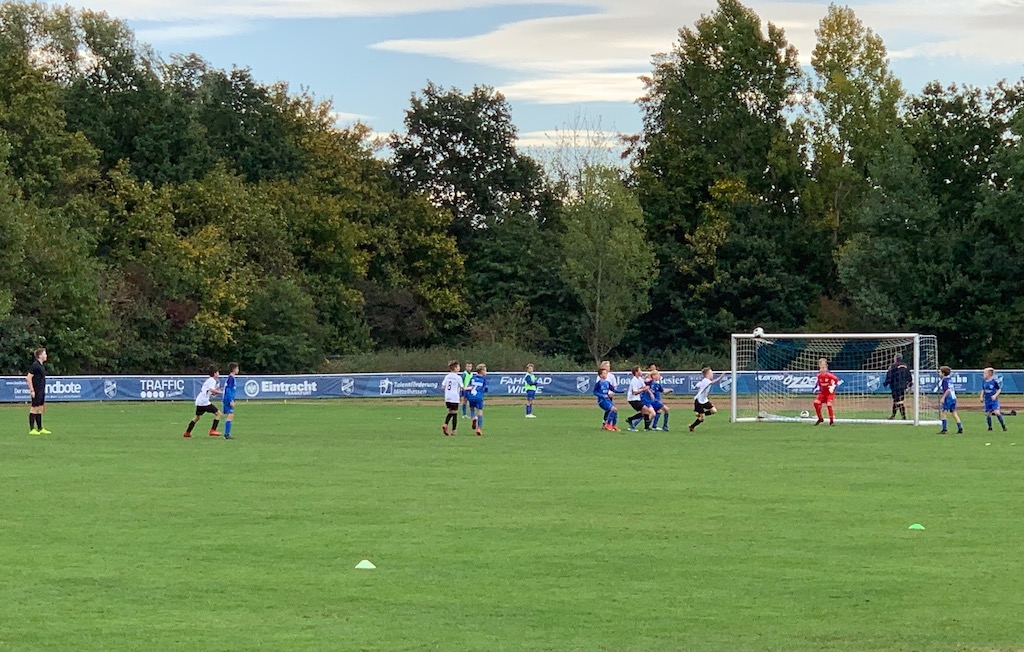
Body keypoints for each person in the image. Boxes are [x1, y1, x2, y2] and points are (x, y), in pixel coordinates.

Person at [184, 365, 223, 438]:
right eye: (218, 372)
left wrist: (217, 392)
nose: (219, 374)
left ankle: (187, 432)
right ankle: (213, 430)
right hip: (204, 401)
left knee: (197, 417)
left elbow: (210, 391)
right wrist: (220, 392)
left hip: (200, 400)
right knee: (218, 414)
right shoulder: (212, 380)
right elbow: (211, 389)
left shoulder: (209, 380)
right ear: (215, 373)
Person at [690, 367, 724, 432]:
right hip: (699, 401)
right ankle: (692, 426)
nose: (712, 374)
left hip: (704, 400)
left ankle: (700, 414)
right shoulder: (706, 380)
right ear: (707, 374)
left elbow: (698, 385)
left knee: (714, 411)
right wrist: (720, 377)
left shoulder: (704, 381)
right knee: (702, 419)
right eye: (711, 373)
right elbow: (713, 382)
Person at [26, 347, 50, 436]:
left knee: (39, 408)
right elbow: (28, 377)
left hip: (41, 390)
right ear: (40, 356)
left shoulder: (41, 366)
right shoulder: (35, 365)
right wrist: (32, 390)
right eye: (44, 354)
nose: (46, 355)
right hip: (36, 390)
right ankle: (32, 429)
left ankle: (40, 428)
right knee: (34, 408)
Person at [883, 354, 913, 420]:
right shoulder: (906, 366)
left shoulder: (893, 366)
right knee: (897, 400)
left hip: (895, 386)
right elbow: (909, 376)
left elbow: (889, 376)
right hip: (903, 386)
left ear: (895, 359)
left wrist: (886, 383)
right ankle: (894, 416)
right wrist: (910, 384)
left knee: (898, 401)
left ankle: (903, 416)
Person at [626, 366, 653, 431]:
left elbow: (644, 386)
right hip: (633, 399)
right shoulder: (634, 380)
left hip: (637, 399)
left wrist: (649, 391)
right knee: (647, 411)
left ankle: (646, 428)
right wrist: (644, 389)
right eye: (640, 370)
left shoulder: (640, 379)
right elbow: (635, 392)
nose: (641, 372)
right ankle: (631, 419)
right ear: (636, 372)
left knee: (645, 412)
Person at [813, 358, 840, 426]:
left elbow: (836, 380)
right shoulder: (819, 376)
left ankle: (831, 421)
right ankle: (820, 418)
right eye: (821, 367)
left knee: (829, 405)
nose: (822, 369)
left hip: (829, 394)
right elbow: (819, 383)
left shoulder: (829, 375)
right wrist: (817, 388)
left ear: (826, 367)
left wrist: (832, 387)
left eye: (823, 367)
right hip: (822, 393)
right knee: (816, 403)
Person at [593, 367, 621, 431]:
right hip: (602, 401)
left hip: (607, 400)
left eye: (606, 373)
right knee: (613, 409)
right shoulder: (598, 383)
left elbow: (613, 390)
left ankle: (613, 426)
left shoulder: (607, 382)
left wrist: (621, 391)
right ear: (600, 375)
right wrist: (602, 395)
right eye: (604, 373)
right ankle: (607, 425)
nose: (606, 375)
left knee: (615, 410)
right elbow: (595, 392)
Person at [937, 366, 963, 435]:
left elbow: (948, 390)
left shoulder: (944, 380)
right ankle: (960, 428)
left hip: (948, 398)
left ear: (943, 373)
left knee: (943, 412)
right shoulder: (949, 379)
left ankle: (944, 429)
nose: (939, 373)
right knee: (954, 413)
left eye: (940, 372)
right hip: (953, 397)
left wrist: (943, 398)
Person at [981, 367, 1006, 432]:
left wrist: (995, 395)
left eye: (984, 373)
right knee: (988, 414)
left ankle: (1003, 426)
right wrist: (981, 396)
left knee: (997, 412)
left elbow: (999, 390)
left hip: (993, 401)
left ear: (989, 374)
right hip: (987, 400)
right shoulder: (984, 382)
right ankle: (990, 427)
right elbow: (983, 389)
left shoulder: (994, 382)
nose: (983, 375)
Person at [442, 360, 462, 436]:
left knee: (451, 411)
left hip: (447, 397)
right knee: (455, 414)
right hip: (454, 397)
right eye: (458, 366)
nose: (459, 368)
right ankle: (453, 430)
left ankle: (445, 424)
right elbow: (462, 387)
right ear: (455, 368)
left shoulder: (447, 376)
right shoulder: (458, 377)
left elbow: (443, 386)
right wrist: (470, 388)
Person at [467, 364, 488, 436]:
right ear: (482, 371)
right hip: (478, 397)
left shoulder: (472, 378)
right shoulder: (484, 379)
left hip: (471, 396)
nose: (486, 372)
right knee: (480, 411)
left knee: (472, 409)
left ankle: (473, 417)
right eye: (485, 370)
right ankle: (479, 428)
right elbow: (485, 388)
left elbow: (469, 387)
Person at [222, 362, 239, 440]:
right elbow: (228, 390)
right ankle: (226, 434)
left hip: (227, 398)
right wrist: (231, 400)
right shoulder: (231, 378)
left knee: (230, 415)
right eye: (237, 368)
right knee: (230, 415)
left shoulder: (231, 378)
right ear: (234, 369)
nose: (238, 370)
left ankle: (227, 434)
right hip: (227, 399)